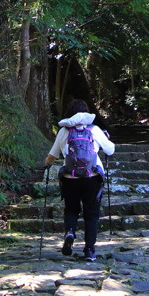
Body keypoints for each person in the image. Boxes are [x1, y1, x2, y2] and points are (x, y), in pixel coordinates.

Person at [45, 100, 115, 262]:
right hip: (93, 177)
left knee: (71, 209)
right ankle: (89, 250)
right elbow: (110, 150)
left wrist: (47, 164)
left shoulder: (64, 131)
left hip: (70, 177)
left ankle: (70, 232)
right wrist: (106, 138)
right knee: (91, 214)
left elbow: (52, 155)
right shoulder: (94, 129)